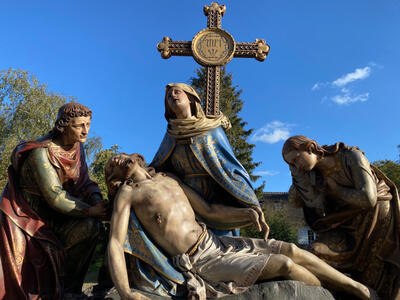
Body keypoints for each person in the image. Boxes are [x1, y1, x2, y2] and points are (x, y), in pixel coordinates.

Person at [106, 153, 373, 300]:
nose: (116, 160)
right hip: (199, 259)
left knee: (291, 249)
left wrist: (246, 215)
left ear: (136, 157)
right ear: (115, 179)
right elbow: (116, 244)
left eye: (118, 156)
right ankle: (331, 296)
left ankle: (355, 288)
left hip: (216, 241)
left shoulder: (168, 178)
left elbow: (208, 211)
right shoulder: (128, 194)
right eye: (111, 166)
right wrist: (126, 292)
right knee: (284, 265)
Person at [0, 102, 107, 299]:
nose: (85, 131)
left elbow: (84, 182)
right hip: (27, 220)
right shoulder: (41, 153)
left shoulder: (78, 148)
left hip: (58, 218)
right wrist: (89, 211)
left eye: (88, 124)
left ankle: (70, 291)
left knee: (92, 227)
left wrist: (96, 199)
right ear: (63, 125)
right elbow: (55, 196)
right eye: (79, 125)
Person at [282, 135, 400, 300]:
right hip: (344, 227)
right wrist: (298, 178)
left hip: (376, 222)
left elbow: (368, 198)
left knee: (378, 280)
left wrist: (337, 191)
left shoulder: (350, 156)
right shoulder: (310, 175)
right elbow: (294, 201)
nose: (297, 165)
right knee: (315, 253)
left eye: (296, 159)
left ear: (310, 147)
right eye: (291, 164)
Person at [151, 83, 261, 236]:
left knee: (222, 246)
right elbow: (159, 165)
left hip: (215, 197)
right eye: (169, 96)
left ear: (190, 98)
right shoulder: (171, 134)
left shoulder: (211, 129)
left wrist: (249, 199)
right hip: (184, 197)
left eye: (177, 92)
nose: (173, 96)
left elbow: (228, 165)